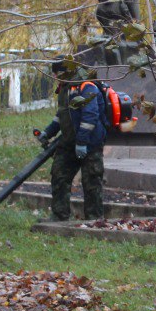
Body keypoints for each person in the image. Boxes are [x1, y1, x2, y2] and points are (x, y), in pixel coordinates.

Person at [39, 59, 107, 221]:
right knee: (59, 175)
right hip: (69, 143)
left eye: (57, 73)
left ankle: (94, 218)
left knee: (91, 181)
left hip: (90, 144)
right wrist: (47, 133)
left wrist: (82, 143)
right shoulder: (64, 87)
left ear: (65, 72)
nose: (55, 77)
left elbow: (90, 115)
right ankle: (59, 214)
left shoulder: (86, 85)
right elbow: (61, 115)